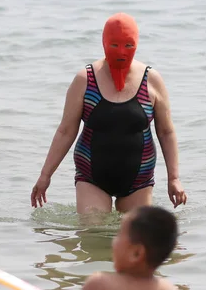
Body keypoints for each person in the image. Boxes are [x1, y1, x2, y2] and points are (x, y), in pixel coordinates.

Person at [30, 13, 187, 214]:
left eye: (128, 45)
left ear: (136, 44)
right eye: (114, 45)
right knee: (93, 234)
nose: (121, 52)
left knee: (136, 237)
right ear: (104, 43)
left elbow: (166, 132)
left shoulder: (152, 80)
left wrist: (174, 178)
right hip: (91, 176)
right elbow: (66, 131)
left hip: (139, 178)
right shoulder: (85, 80)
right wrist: (45, 176)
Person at [81, 205, 179, 290]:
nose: (113, 241)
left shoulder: (100, 284)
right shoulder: (167, 287)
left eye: (119, 235)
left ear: (136, 253)